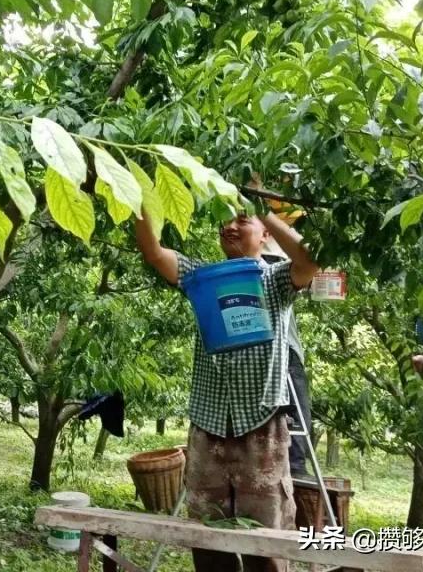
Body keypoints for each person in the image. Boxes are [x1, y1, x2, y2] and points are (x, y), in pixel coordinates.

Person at [135, 194, 319, 572]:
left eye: (242, 220)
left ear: (264, 232)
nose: (230, 226)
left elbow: (308, 261)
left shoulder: (276, 280)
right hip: (209, 426)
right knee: (207, 540)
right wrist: (134, 194)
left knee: (265, 545)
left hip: (262, 426)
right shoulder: (203, 278)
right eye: (225, 220)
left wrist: (260, 204)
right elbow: (154, 253)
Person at [262, 240, 313, 480]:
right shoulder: (265, 275)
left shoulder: (280, 278)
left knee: (294, 419)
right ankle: (295, 470)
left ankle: (295, 470)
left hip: (285, 351)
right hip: (280, 351)